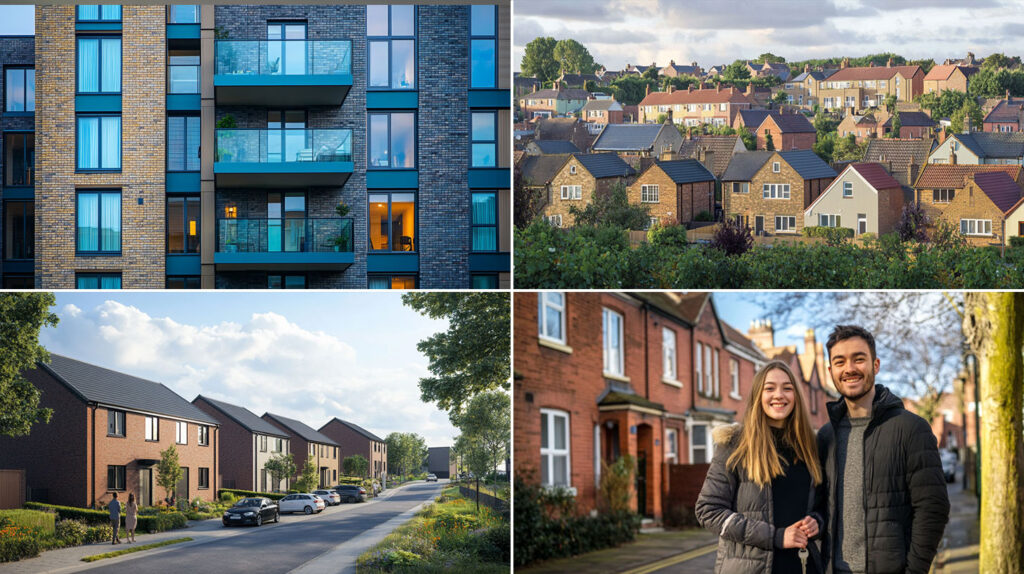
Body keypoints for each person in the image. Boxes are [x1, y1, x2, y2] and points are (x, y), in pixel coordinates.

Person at [818, 325, 949, 574]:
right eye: (840, 362)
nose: (849, 369)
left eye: (859, 359)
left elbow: (933, 508)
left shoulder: (911, 428)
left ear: (875, 365)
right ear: (830, 371)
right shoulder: (826, 436)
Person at [696, 360, 825, 574]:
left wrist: (817, 521)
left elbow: (822, 505)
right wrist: (776, 536)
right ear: (758, 395)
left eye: (787, 388)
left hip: (803, 566)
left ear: (796, 397)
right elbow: (708, 510)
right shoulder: (734, 444)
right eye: (770, 388)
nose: (779, 395)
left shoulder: (810, 447)